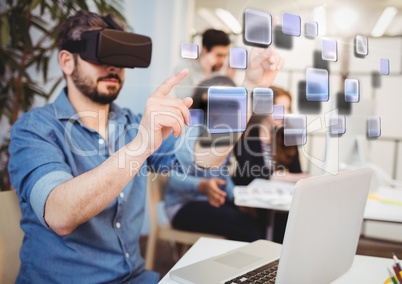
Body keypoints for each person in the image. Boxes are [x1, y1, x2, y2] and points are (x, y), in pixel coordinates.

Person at [8, 10, 284, 283]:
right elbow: (60, 214)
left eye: (119, 56)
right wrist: (141, 145)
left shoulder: (133, 123)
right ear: (67, 62)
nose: (113, 66)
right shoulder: (34, 129)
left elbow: (206, 156)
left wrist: (248, 87)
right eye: (101, 54)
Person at [165, 76, 266, 242]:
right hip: (184, 206)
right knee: (248, 229)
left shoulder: (225, 132)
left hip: (213, 201)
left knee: (257, 218)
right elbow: (173, 178)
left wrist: (236, 198)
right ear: (204, 100)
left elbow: (222, 175)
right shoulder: (189, 131)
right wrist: (202, 186)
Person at [232, 86, 309, 242]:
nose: (285, 114)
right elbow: (251, 172)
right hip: (249, 201)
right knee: (255, 231)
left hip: (276, 200)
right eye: (281, 108)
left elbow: (297, 171)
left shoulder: (287, 136)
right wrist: (288, 177)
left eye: (288, 108)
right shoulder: (245, 134)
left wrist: (293, 177)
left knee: (297, 224)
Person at [174, 29, 234, 99]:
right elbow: (185, 99)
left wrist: (229, 81)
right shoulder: (184, 69)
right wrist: (205, 74)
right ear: (205, 50)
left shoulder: (222, 71)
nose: (223, 61)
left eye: (225, 55)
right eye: (219, 55)